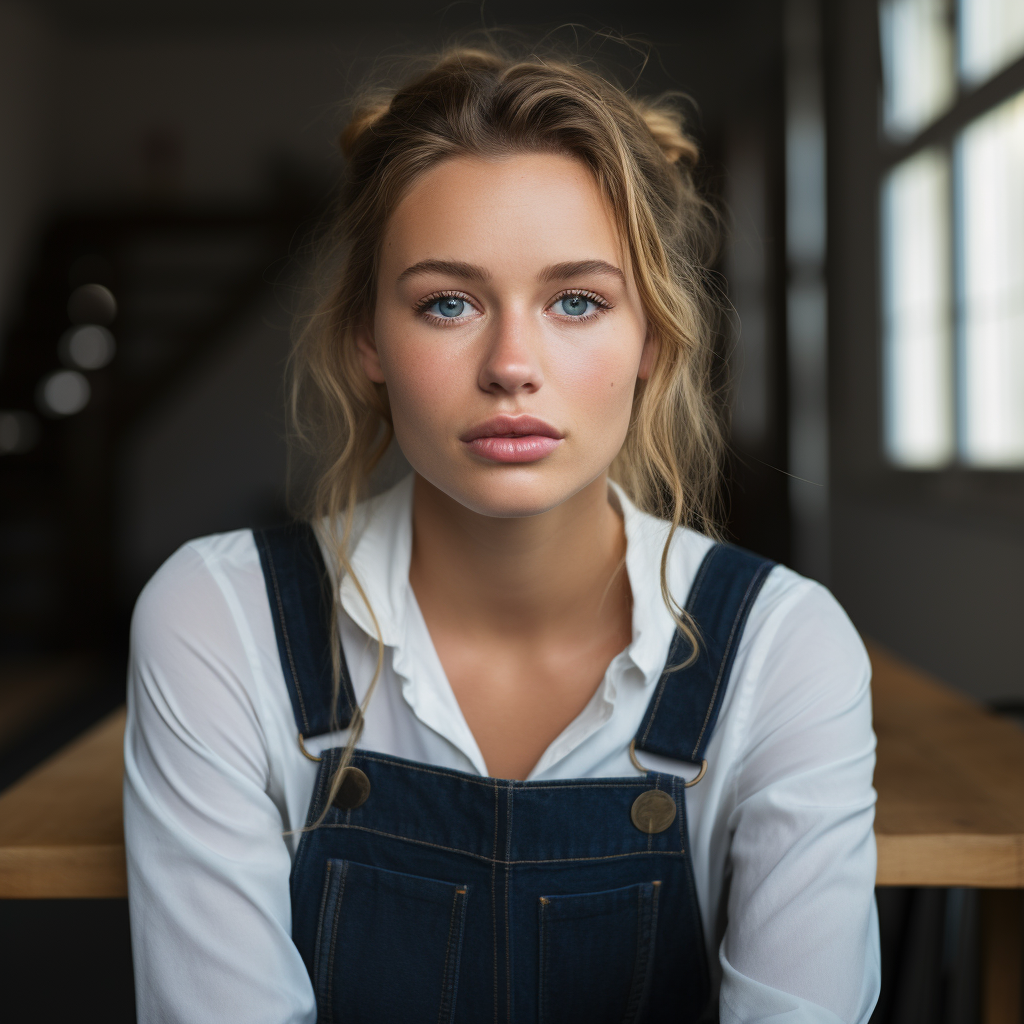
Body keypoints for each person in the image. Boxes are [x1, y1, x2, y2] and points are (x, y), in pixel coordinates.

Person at [124, 44, 879, 1024]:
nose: (512, 364)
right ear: (367, 340)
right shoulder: (219, 617)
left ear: (650, 335)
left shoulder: (785, 645)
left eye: (577, 301)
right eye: (449, 302)